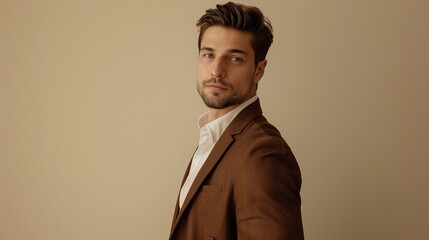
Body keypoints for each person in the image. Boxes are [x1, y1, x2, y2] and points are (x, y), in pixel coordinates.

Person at [169, 2, 304, 239]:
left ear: (259, 70)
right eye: (208, 54)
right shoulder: (213, 137)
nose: (216, 70)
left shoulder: (263, 152)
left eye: (234, 59)